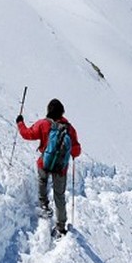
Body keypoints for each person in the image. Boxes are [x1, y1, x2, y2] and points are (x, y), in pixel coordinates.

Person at [16, 98, 81, 237]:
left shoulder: (43, 124)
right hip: (60, 168)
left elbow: (27, 134)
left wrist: (20, 122)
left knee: (42, 181)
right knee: (59, 196)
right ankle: (61, 227)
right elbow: (76, 151)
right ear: (62, 112)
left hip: (44, 163)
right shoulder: (69, 129)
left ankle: (44, 205)